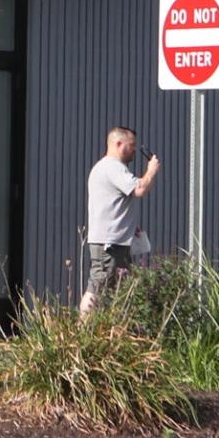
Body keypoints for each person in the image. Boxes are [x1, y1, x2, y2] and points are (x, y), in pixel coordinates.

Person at [79, 126, 160, 314]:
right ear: (118, 144)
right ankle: (82, 330)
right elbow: (140, 189)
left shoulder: (106, 168)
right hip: (109, 243)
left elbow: (113, 204)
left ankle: (105, 330)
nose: (134, 150)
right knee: (98, 287)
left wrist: (130, 226)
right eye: (131, 145)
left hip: (115, 241)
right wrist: (151, 170)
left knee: (115, 290)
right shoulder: (113, 167)